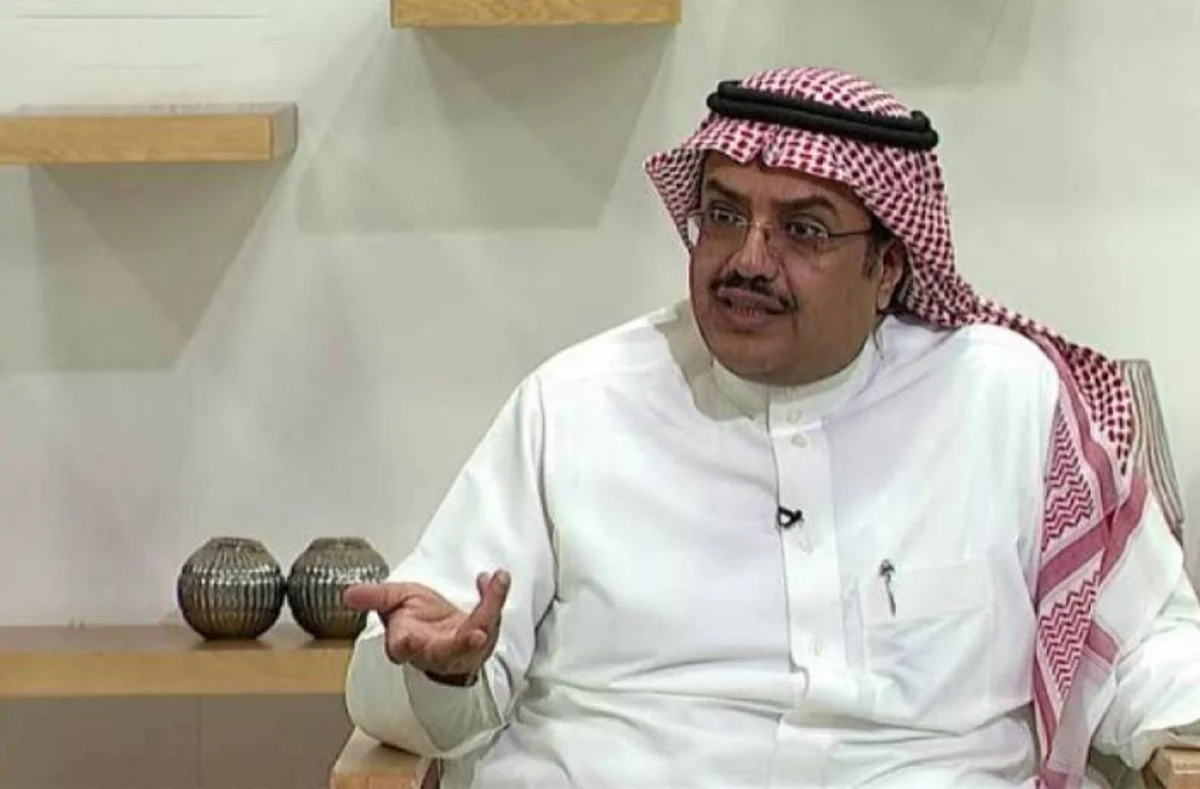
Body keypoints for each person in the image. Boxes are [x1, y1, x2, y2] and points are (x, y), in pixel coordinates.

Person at [341, 67, 1200, 788]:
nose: (749, 260)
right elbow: (426, 668)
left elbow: (1146, 647)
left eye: (803, 230)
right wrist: (439, 669)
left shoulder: (1005, 399)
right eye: (723, 216)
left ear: (887, 265)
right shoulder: (575, 406)